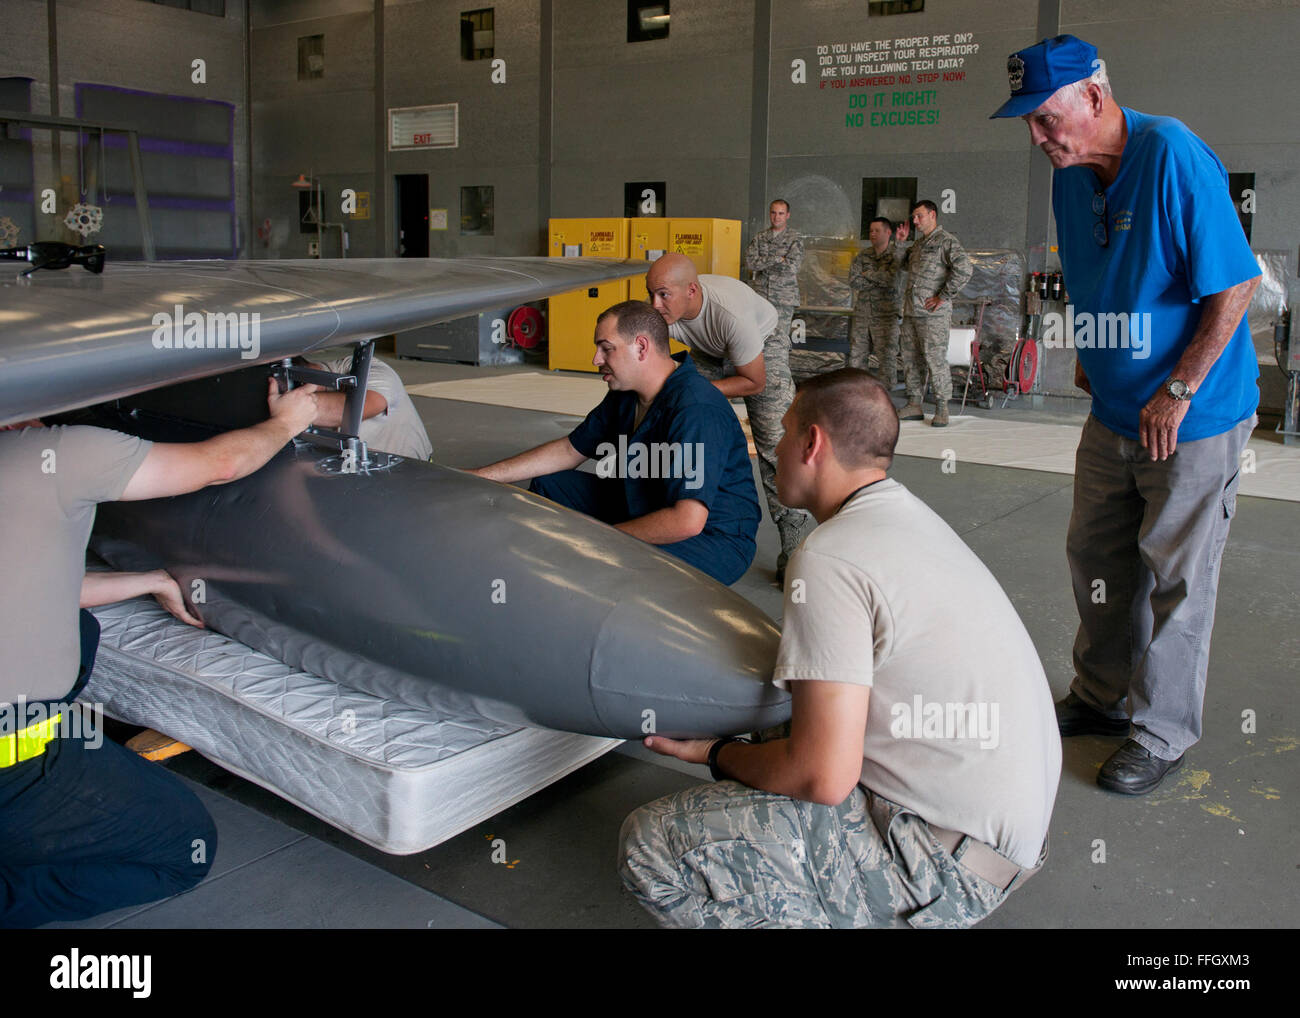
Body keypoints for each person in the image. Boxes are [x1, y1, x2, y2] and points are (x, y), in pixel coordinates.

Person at [619, 369, 1060, 928]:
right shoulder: (904, 518)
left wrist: (713, 754)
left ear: (812, 444)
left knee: (651, 844)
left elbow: (823, 778)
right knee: (779, 719)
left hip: (936, 867)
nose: (772, 449)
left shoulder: (829, 556)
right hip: (1000, 840)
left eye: (781, 435)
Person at [991, 36, 1261, 794]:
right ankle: (1101, 696)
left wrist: (1177, 390)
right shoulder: (1071, 177)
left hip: (1191, 416)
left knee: (1178, 574)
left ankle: (1164, 731)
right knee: (1098, 558)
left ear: (1095, 99)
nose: (1039, 139)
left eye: (1046, 119)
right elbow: (1087, 270)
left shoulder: (1171, 154)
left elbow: (1234, 287)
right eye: (1029, 125)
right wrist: (1090, 344)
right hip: (1113, 412)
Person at [0, 378, 321, 927]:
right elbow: (219, 465)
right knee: (182, 849)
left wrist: (151, 580)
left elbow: (35, 587)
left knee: (80, 631)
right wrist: (288, 422)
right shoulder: (52, 454)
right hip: (13, 760)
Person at [467, 300, 760, 586]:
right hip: (648, 501)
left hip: (711, 538)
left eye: (606, 348)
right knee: (550, 485)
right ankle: (537, 566)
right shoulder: (625, 393)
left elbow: (688, 520)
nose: (596, 359)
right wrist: (479, 477)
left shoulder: (695, 408)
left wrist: (601, 538)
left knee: (607, 566)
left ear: (641, 347)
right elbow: (570, 450)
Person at [645, 252, 813, 582]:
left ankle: (794, 539)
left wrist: (699, 392)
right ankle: (681, 515)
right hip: (709, 349)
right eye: (650, 293)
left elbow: (754, 381)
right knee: (681, 422)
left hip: (763, 341)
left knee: (775, 443)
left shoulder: (729, 314)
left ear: (691, 291)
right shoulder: (662, 308)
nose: (654, 304)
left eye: (663, 294)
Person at [898, 200, 973, 428]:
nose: (915, 221)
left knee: (934, 358)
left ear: (932, 215)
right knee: (911, 358)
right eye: (914, 217)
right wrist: (901, 243)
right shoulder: (919, 244)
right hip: (912, 311)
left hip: (933, 314)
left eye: (919, 216)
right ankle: (914, 404)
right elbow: (902, 265)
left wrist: (943, 296)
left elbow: (965, 269)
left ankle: (942, 407)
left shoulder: (946, 241)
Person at [303, 351, 433, 461]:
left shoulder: (374, 371)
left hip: (408, 470)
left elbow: (353, 410)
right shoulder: (313, 380)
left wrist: (285, 406)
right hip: (354, 466)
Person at [848, 216, 907, 385]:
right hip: (863, 315)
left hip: (886, 316)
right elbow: (854, 281)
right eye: (871, 231)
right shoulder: (863, 255)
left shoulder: (896, 255)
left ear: (888, 232)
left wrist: (869, 275)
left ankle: (885, 398)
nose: (873, 234)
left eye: (877, 231)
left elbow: (894, 281)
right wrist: (881, 279)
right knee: (857, 358)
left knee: (887, 360)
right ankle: (858, 394)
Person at [745, 198, 803, 351]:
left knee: (780, 341)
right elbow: (750, 263)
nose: (777, 217)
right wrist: (778, 259)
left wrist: (763, 264)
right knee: (757, 338)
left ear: (787, 215)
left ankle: (779, 374)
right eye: (773, 213)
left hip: (783, 298)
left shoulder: (794, 239)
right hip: (761, 296)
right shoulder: (760, 237)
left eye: (781, 213)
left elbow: (792, 267)